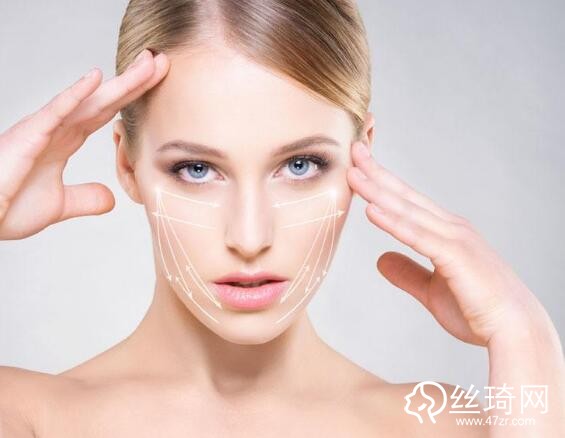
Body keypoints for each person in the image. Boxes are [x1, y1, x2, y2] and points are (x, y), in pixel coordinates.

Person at [0, 1, 563, 437]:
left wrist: (525, 336)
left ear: (361, 154)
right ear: (128, 164)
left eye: (300, 165)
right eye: (197, 169)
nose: (250, 238)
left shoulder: (445, 426)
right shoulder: (25, 415)